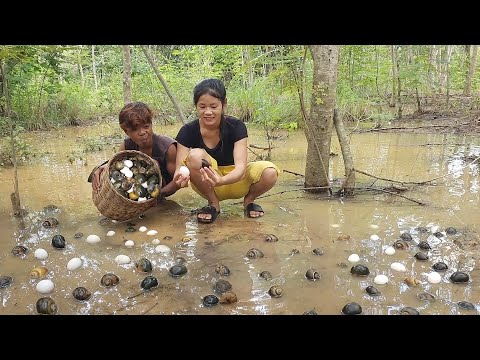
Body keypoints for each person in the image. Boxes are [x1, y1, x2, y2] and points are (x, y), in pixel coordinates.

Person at [173, 78, 279, 223]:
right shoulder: (187, 131)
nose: (208, 112)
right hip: (208, 183)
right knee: (195, 155)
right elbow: (180, 167)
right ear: (196, 106)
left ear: (224, 104)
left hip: (236, 180)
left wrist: (221, 180)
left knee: (270, 171)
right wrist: (181, 178)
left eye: (214, 106)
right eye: (202, 106)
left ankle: (249, 201)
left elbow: (241, 169)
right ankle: (213, 204)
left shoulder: (236, 126)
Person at [89, 101, 179, 199]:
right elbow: (116, 168)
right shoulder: (126, 146)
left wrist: (157, 195)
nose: (142, 132)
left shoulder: (168, 147)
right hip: (137, 193)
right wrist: (102, 168)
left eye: (146, 126)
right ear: (126, 132)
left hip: (160, 191)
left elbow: (178, 182)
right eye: (135, 130)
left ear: (151, 124)